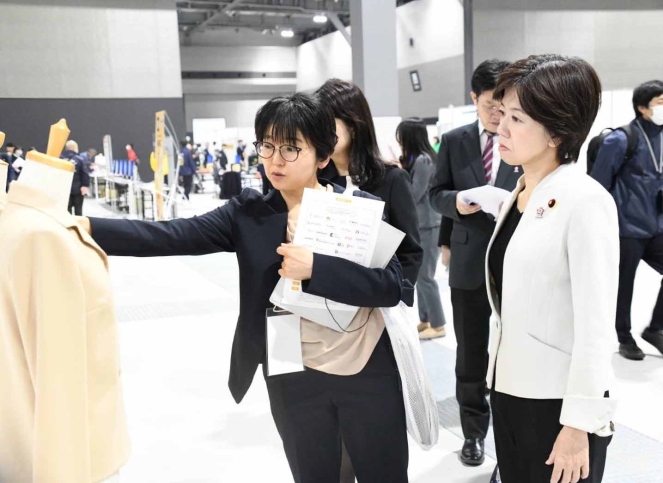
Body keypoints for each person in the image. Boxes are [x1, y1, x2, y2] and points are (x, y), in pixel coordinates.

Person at [77, 93, 413, 483]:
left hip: (366, 362)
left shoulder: (357, 207)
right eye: (267, 145)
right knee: (313, 472)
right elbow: (170, 234)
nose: (275, 160)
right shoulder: (248, 213)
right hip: (288, 361)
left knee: (383, 471)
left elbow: (392, 287)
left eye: (290, 148)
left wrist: (316, 269)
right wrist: (84, 228)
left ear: (322, 156)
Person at [487, 54, 617, 483]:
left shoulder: (585, 200)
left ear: (558, 132)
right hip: (509, 387)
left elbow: (597, 327)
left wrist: (578, 425)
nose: (501, 128)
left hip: (558, 403)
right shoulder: (518, 193)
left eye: (517, 119)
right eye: (502, 113)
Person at [429, 59, 517, 466]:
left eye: (504, 105)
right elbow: (436, 194)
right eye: (489, 106)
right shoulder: (455, 140)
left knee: (517, 350)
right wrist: (459, 201)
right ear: (473, 99)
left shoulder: (525, 136)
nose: (497, 115)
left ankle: (515, 433)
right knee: (470, 353)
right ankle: (474, 432)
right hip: (468, 262)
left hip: (516, 261)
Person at [315, 79, 423, 287]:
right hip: (325, 294)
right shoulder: (316, 180)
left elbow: (410, 252)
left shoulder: (392, 180)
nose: (319, 133)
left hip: (377, 296)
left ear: (354, 126)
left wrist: (394, 295)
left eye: (327, 124)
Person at [591, 80, 663, 360]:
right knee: (624, 285)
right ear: (642, 108)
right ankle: (624, 337)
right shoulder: (621, 139)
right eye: (660, 102)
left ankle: (655, 329)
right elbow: (598, 185)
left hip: (656, 225)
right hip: (626, 227)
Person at [396, 118, 446, 340]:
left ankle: (438, 324)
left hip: (430, 225)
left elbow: (414, 194)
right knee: (421, 277)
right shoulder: (417, 159)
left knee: (426, 277)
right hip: (422, 225)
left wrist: (399, 177)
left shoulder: (424, 161)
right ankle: (426, 319)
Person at [60, 140, 90, 216]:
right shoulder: (80, 159)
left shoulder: (60, 159)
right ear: (75, 148)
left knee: (66, 212)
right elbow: (85, 173)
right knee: (78, 211)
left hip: (64, 190)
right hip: (78, 190)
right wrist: (85, 185)